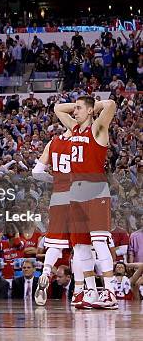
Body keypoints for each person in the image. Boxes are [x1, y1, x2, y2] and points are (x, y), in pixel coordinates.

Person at [54, 96, 117, 309]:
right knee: (80, 246)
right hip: (76, 193)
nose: (74, 112)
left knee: (99, 243)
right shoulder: (74, 128)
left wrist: (92, 107)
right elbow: (58, 108)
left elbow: (110, 105)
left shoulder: (98, 129)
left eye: (79, 109)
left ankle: (110, 291)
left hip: (96, 191)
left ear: (90, 111)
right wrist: (82, 107)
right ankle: (90, 291)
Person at [32, 129, 83, 305]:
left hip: (58, 197)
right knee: (78, 247)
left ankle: (45, 273)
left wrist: (54, 180)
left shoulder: (53, 142)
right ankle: (78, 291)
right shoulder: (83, 140)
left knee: (55, 242)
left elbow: (37, 172)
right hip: (79, 196)